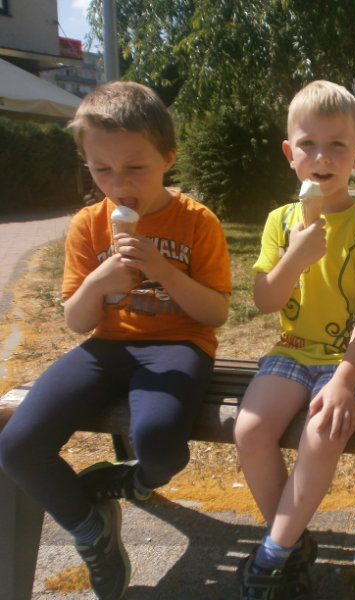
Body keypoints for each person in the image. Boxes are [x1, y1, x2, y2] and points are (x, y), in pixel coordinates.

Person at [0, 81, 232, 600]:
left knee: (160, 444)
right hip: (107, 345)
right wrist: (98, 284)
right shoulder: (89, 225)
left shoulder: (197, 222)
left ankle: (133, 482)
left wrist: (162, 269)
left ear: (168, 158)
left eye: (135, 167)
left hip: (180, 344)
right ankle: (92, 530)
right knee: (16, 446)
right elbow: (76, 321)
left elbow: (215, 312)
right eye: (101, 169)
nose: (119, 184)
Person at [233, 80, 355, 600]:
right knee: (250, 429)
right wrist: (295, 257)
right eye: (308, 144)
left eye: (337, 145)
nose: (321, 157)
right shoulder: (278, 222)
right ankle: (293, 541)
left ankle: (271, 558)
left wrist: (345, 381)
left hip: (352, 360)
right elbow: (265, 299)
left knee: (322, 431)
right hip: (292, 350)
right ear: (290, 153)